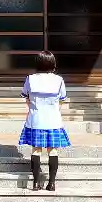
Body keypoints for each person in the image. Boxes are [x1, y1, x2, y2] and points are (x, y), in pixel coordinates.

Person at [18, 51, 70, 192]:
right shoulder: (59, 80)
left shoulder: (30, 79)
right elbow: (62, 100)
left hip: (36, 119)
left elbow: (26, 97)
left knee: (36, 150)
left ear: (38, 63)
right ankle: (51, 183)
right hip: (53, 120)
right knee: (53, 151)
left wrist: (34, 107)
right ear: (53, 63)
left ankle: (35, 183)